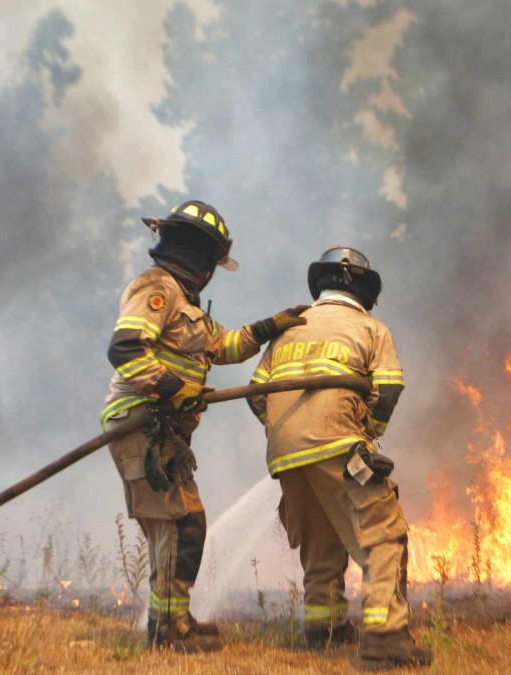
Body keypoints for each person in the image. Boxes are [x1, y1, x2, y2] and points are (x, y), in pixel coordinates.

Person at [101, 200, 308, 651]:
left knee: (177, 526)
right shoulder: (156, 288)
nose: (212, 271)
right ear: (200, 257)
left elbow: (226, 345)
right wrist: (172, 387)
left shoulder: (185, 303)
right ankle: (169, 630)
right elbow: (126, 348)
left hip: (163, 429)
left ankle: (171, 621)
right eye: (213, 262)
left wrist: (271, 326)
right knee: (182, 524)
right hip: (142, 423)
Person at [247, 246, 431, 667]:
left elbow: (257, 396)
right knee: (383, 534)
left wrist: (287, 432)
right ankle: (385, 639)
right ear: (364, 291)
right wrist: (369, 435)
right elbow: (388, 390)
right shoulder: (371, 328)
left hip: (285, 455)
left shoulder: (288, 331)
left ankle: (323, 629)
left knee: (321, 539)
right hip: (340, 444)